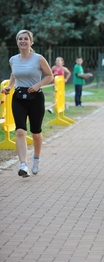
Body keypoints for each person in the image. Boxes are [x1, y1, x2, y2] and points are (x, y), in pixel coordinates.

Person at [2, 30, 53, 177]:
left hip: (35, 98)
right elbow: (14, 74)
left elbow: (50, 76)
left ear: (31, 42)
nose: (23, 41)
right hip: (18, 98)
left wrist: (38, 85)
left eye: (26, 39)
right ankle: (23, 165)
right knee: (20, 131)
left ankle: (36, 158)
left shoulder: (38, 58)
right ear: (17, 42)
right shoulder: (13, 59)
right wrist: (9, 86)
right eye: (20, 39)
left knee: (36, 133)